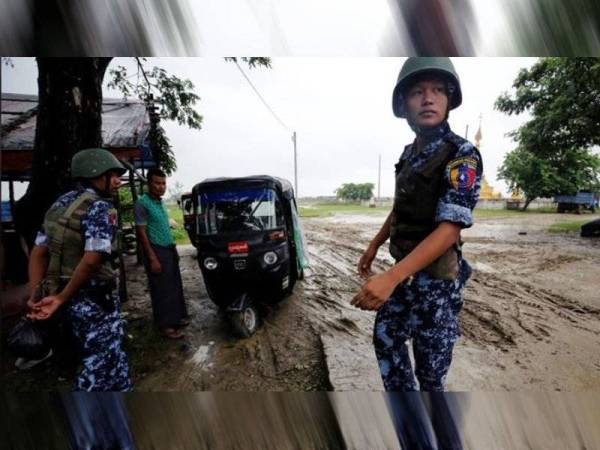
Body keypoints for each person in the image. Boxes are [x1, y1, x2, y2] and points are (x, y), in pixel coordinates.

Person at [353, 57, 482, 392]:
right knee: (386, 339)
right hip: (405, 276)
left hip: (437, 284)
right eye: (417, 92)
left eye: (438, 90)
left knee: (430, 372)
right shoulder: (410, 153)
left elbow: (450, 229)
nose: (428, 98)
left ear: (449, 99)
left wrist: (390, 278)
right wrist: (375, 243)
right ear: (404, 104)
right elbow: (401, 206)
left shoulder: (461, 154)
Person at [27, 148, 132, 391]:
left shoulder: (60, 204)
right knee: (102, 364)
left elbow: (38, 252)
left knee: (86, 356)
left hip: (64, 299)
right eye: (113, 175)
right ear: (95, 175)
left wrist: (37, 295)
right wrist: (62, 298)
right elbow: (93, 258)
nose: (118, 181)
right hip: (92, 300)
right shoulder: (100, 208)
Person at [134, 168, 189, 339]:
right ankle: (166, 326)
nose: (161, 186)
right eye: (157, 183)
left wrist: (173, 248)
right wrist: (152, 258)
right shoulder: (142, 204)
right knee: (161, 289)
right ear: (149, 184)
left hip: (168, 249)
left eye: (163, 183)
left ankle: (176, 318)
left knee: (173, 286)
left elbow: (164, 227)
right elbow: (141, 233)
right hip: (155, 250)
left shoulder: (161, 203)